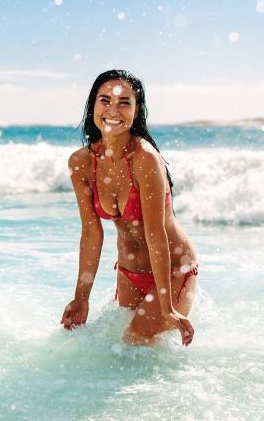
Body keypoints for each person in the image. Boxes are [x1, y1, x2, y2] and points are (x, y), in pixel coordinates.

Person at [60, 70, 198, 346]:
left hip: (172, 270)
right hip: (128, 273)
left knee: (134, 343)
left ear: (137, 111)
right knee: (113, 351)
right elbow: (91, 233)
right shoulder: (82, 163)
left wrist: (167, 305)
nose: (114, 109)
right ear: (93, 106)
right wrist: (81, 298)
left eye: (125, 102)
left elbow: (155, 233)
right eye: (105, 100)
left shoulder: (144, 158)